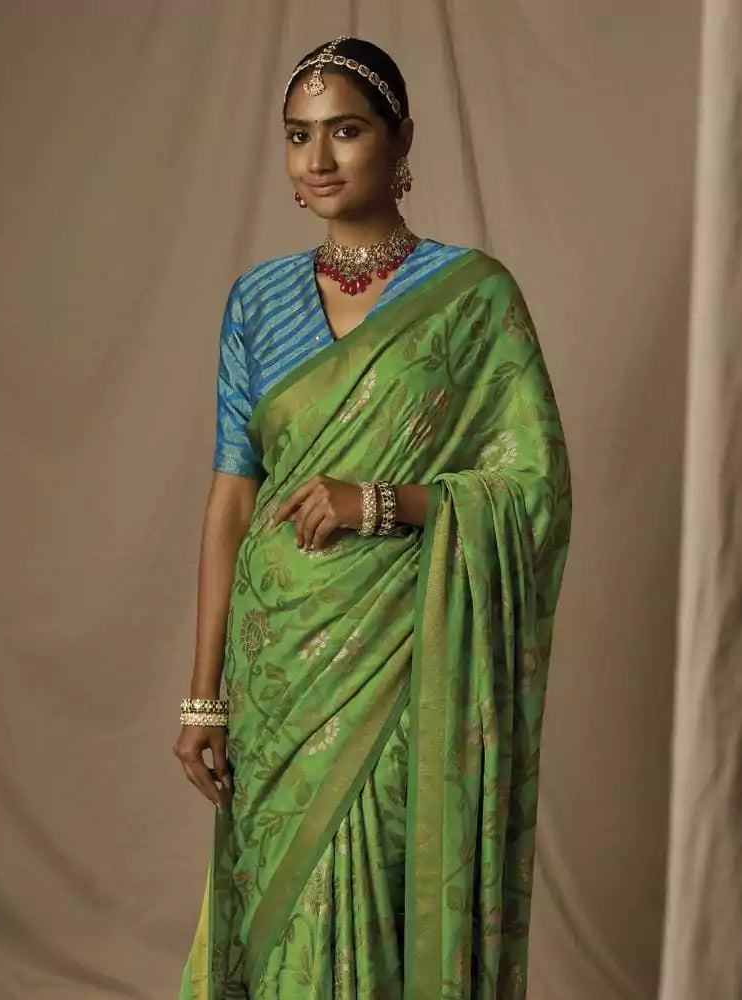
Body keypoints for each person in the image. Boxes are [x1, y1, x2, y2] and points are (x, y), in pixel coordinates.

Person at [174, 35, 572, 1000]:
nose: (316, 159)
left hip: (400, 652)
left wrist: (384, 503)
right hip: (278, 662)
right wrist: (203, 696)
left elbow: (535, 487)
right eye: (296, 136)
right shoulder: (256, 303)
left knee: (381, 878)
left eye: (344, 131)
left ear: (401, 140)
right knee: (273, 896)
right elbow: (231, 498)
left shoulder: (471, 295)